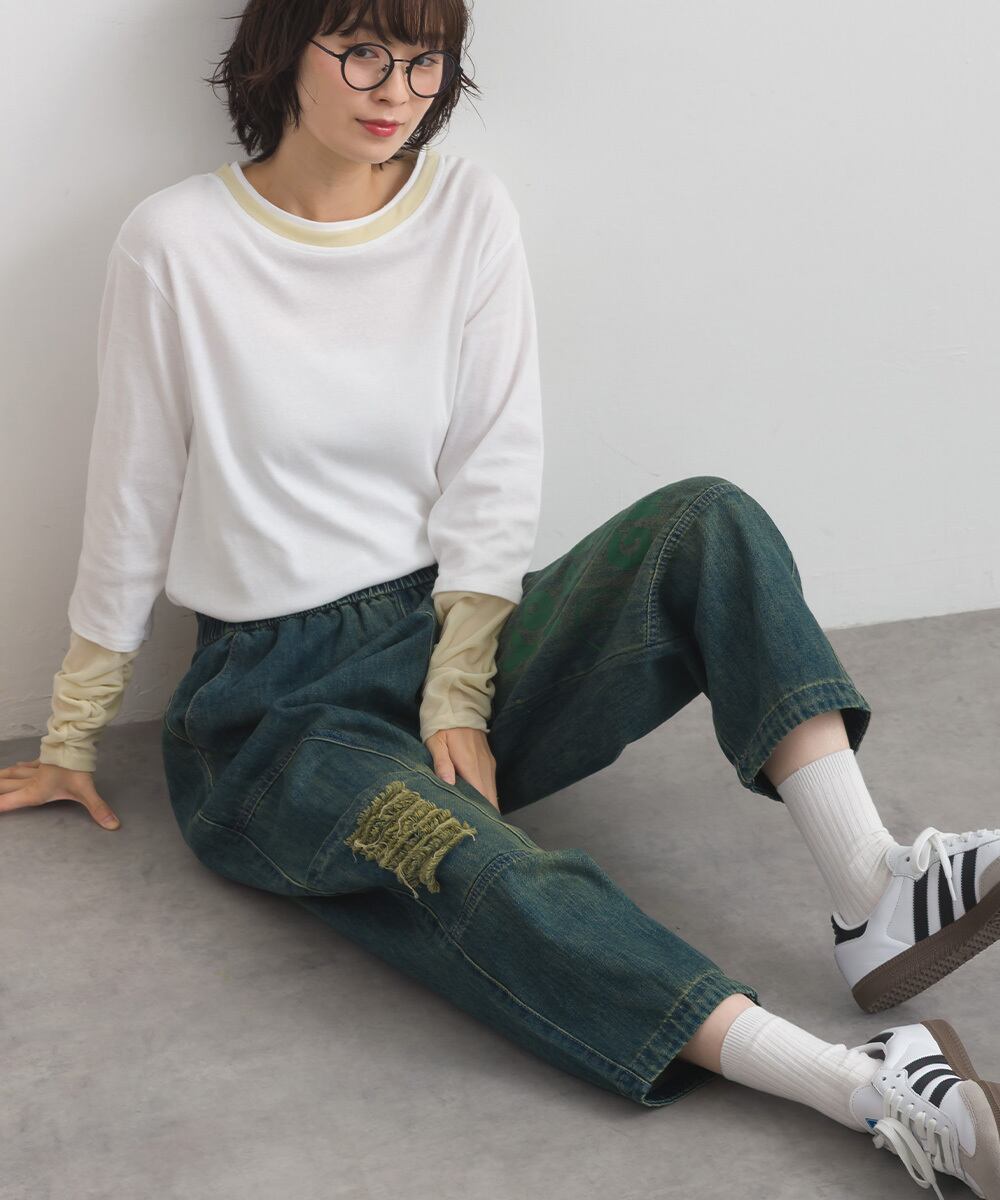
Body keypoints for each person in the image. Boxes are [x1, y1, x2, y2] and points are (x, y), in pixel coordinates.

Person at [2, 3, 999, 1195]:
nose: (397, 88)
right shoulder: (174, 242)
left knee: (705, 520)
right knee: (474, 866)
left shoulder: (465, 209)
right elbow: (131, 489)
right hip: (271, 718)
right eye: (362, 51)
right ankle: (862, 1089)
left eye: (424, 59)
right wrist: (72, 732)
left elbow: (493, 456)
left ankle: (873, 886)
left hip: (439, 638)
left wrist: (458, 687)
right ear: (280, 50)